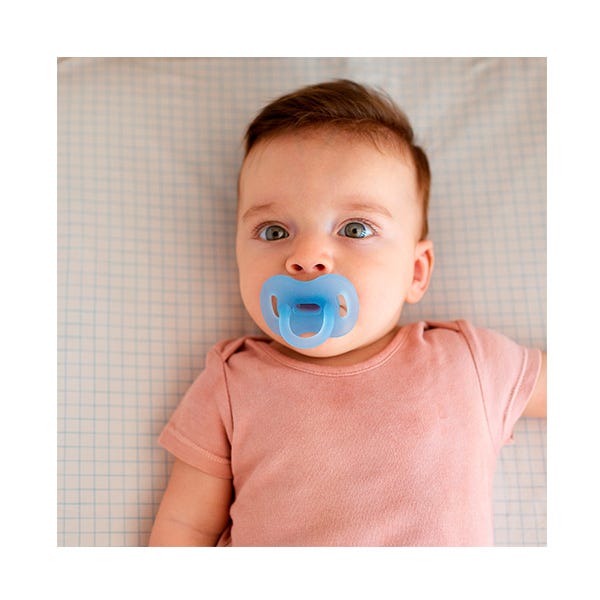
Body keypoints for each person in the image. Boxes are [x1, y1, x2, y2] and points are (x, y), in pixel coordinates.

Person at [148, 79, 547, 547]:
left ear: (416, 271)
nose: (307, 257)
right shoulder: (231, 382)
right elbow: (186, 527)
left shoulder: (468, 361)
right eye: (274, 232)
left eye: (355, 229)